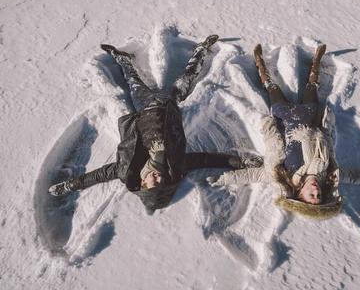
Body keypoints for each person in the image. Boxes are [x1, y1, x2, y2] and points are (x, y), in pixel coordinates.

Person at [48, 35, 262, 214]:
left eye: (153, 182)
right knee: (185, 80)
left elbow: (98, 175)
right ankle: (201, 50)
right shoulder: (175, 165)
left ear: (142, 184)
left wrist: (70, 185)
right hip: (168, 107)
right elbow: (206, 159)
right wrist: (241, 161)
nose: (157, 177)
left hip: (145, 109)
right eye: (161, 181)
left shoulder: (127, 171)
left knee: (133, 82)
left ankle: (121, 58)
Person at [207, 43, 360, 219]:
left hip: (284, 117)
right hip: (310, 118)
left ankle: (260, 65)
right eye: (319, 196)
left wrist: (224, 179)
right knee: (312, 87)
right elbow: (357, 177)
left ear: (300, 195)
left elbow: (252, 175)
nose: (316, 192)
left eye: (312, 196)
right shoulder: (329, 175)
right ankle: (316, 61)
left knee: (272, 88)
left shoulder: (283, 176)